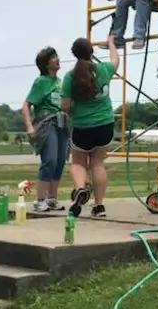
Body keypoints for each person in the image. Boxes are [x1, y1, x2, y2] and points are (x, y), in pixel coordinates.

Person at [61, 34, 120, 218]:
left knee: (78, 162)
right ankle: (99, 206)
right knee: (98, 164)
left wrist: (73, 113)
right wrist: (111, 44)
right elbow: (115, 60)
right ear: (91, 52)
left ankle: (80, 188)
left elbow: (64, 106)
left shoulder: (70, 77)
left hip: (82, 126)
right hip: (104, 124)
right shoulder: (103, 69)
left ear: (74, 54)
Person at [21, 46, 69, 213]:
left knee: (60, 161)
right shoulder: (41, 82)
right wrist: (29, 126)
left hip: (62, 123)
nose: (58, 59)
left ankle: (52, 199)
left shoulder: (60, 81)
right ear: (46, 63)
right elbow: (26, 105)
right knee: (50, 160)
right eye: (54, 57)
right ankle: (39, 200)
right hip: (47, 123)